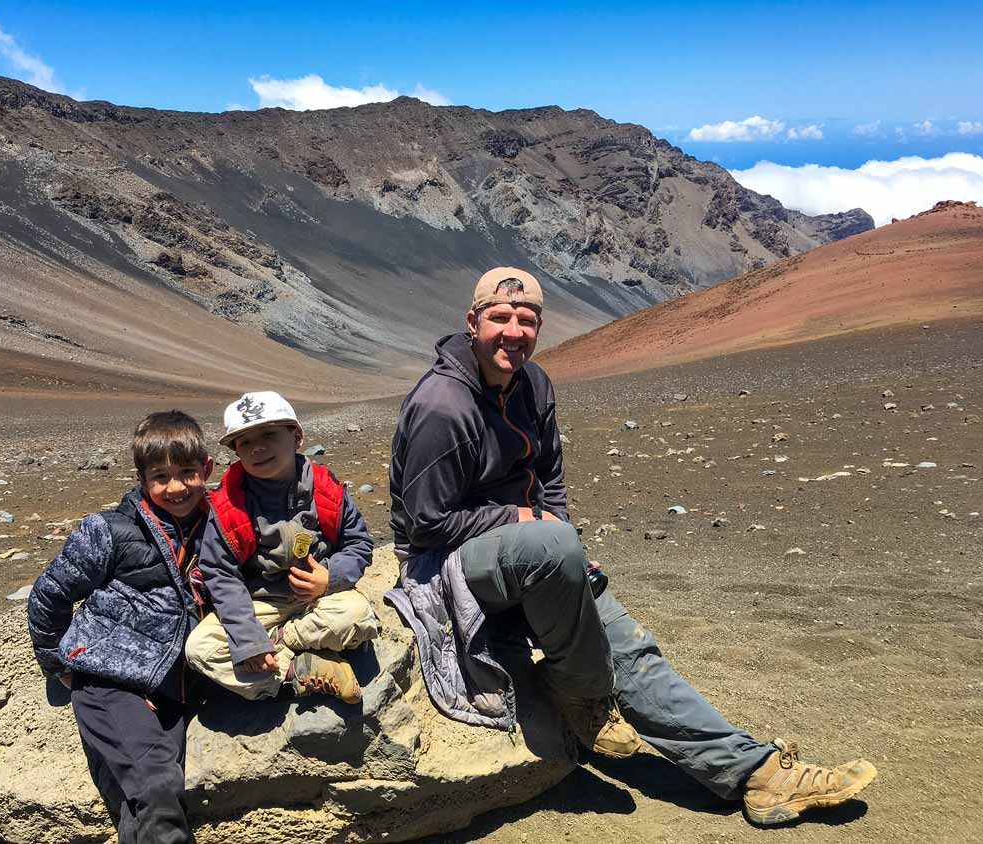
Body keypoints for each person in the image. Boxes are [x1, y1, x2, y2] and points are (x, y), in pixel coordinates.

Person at [386, 267, 877, 826]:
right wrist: (532, 526)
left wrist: (563, 541)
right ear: (472, 323)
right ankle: (581, 693)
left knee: (632, 651)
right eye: (500, 318)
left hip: (530, 558)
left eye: (528, 320)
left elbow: (549, 480)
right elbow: (425, 525)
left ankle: (756, 774)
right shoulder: (443, 407)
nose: (514, 332)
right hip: (448, 565)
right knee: (553, 550)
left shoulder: (535, 385)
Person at [28, 410, 213, 844]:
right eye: (161, 476)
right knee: (155, 787)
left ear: (206, 469)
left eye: (186, 473)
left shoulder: (217, 526)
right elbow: (48, 595)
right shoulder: (109, 530)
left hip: (174, 688)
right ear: (141, 478)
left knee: (145, 799)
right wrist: (61, 664)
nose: (176, 487)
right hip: (111, 684)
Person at [185, 391, 380, 704]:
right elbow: (220, 573)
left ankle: (282, 644)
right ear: (235, 451)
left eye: (269, 435)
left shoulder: (325, 489)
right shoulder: (229, 503)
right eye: (244, 442)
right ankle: (298, 669)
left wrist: (329, 579)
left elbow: (357, 542)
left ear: (297, 437)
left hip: (318, 598)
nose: (257, 448)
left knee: (357, 614)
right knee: (201, 649)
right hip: (260, 603)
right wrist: (248, 637)